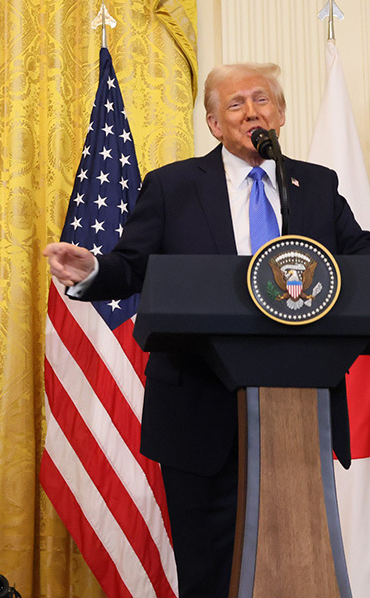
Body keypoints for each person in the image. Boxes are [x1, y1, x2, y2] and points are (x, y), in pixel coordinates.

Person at [43, 63, 370, 598]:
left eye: (261, 100)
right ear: (214, 124)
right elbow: (135, 266)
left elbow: (357, 266)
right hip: (200, 411)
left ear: (281, 114)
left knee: (302, 564)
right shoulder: (173, 187)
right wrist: (96, 271)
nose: (251, 113)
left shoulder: (316, 186)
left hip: (300, 416)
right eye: (235, 104)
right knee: (210, 575)